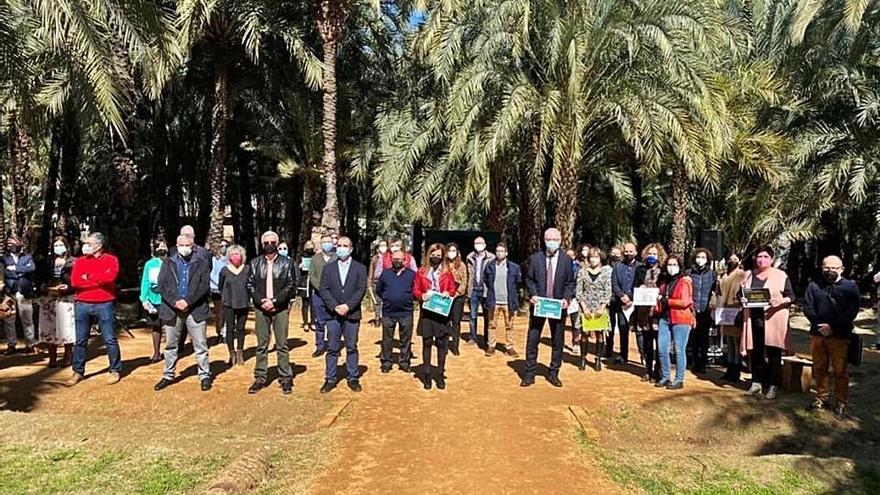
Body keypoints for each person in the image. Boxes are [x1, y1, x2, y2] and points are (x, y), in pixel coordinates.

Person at [154, 234, 213, 392]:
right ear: (176, 245)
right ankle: (168, 374)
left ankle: (204, 375)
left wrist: (188, 302)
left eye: (188, 245)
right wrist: (175, 302)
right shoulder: (168, 263)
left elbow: (204, 286)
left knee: (200, 345)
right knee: (171, 345)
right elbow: (162, 285)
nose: (185, 248)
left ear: (193, 246)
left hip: (195, 309)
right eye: (182, 245)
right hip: (172, 309)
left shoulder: (201, 263)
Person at [804, 256, 860, 420]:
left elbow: (852, 312)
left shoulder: (850, 288)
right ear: (821, 268)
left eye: (834, 268)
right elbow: (808, 307)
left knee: (840, 371)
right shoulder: (814, 286)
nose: (830, 271)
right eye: (826, 268)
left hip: (840, 336)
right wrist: (820, 325)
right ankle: (822, 397)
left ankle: (841, 403)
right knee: (819, 368)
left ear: (842, 269)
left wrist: (833, 327)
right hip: (817, 334)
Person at [521, 228, 576, 388]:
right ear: (544, 240)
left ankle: (554, 373)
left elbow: (570, 283)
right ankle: (529, 373)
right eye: (548, 239)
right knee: (533, 339)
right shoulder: (535, 259)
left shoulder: (566, 261)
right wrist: (533, 295)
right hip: (539, 306)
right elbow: (529, 279)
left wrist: (566, 298)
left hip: (557, 307)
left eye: (555, 239)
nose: (551, 242)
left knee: (557, 341)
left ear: (560, 240)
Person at [67, 233, 121, 386]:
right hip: (82, 303)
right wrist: (97, 279)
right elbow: (75, 281)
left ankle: (115, 369)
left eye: (89, 243)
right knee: (81, 340)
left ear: (99, 245)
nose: (85, 246)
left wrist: (89, 276)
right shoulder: (80, 261)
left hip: (104, 303)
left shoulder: (111, 260)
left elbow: (110, 278)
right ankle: (78, 371)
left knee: (109, 338)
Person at [247, 231, 297, 395]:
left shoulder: (287, 263)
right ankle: (260, 377)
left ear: (277, 243)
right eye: (266, 242)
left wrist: (275, 301)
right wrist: (263, 301)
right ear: (262, 245)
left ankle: (285, 377)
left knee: (282, 344)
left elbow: (290, 285)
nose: (269, 245)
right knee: (262, 345)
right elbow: (250, 285)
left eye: (272, 242)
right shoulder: (254, 263)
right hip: (261, 308)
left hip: (280, 308)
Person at [741, 246, 794, 400]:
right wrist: (741, 299)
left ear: (771, 259)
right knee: (756, 353)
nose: (762, 259)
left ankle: (772, 385)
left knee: (774, 353)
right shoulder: (749, 275)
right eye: (759, 256)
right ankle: (756, 382)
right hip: (754, 319)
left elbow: (792, 296)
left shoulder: (781, 275)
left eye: (765, 256)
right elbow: (741, 294)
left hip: (774, 320)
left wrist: (781, 301)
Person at [319, 236, 368, 393]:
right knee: (332, 347)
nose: (341, 248)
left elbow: (361, 289)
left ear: (351, 248)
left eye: (345, 245)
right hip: (333, 315)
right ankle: (330, 378)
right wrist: (334, 307)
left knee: (351, 347)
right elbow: (324, 289)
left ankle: (353, 377)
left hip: (351, 314)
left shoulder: (360, 268)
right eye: (339, 245)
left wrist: (348, 306)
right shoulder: (328, 268)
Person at [413, 243, 458, 389]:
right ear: (428, 255)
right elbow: (415, 290)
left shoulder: (447, 272)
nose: (436, 257)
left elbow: (452, 288)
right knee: (426, 343)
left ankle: (439, 374)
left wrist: (448, 293)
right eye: (433, 255)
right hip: (427, 312)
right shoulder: (421, 272)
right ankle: (426, 374)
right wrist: (421, 295)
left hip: (442, 312)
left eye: (439, 255)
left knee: (441, 344)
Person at [655, 255, 695, 390]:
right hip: (665, 318)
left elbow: (685, 302)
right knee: (662, 349)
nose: (671, 267)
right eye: (669, 264)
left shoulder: (685, 281)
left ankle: (679, 379)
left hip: (681, 319)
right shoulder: (664, 282)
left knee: (679, 350)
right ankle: (665, 377)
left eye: (674, 264)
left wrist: (667, 301)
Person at [376, 249, 417, 373]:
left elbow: (415, 290)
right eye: (394, 259)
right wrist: (389, 298)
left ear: (404, 260)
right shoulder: (385, 274)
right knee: (387, 339)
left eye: (399, 259)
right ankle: (386, 362)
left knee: (405, 339)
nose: (396, 261)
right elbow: (379, 290)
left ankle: (404, 362)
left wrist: (408, 299)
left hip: (406, 312)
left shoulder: (411, 274)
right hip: (388, 312)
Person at [38, 236, 76, 367]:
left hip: (66, 298)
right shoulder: (47, 261)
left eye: (60, 245)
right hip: (48, 297)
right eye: (55, 245)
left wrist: (69, 286)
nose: (58, 248)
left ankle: (68, 355)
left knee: (67, 326)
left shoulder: (73, 262)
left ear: (66, 246)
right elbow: (39, 277)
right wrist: (42, 285)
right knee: (49, 327)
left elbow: (77, 280)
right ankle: (52, 356)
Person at [575, 247, 612, 371]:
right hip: (586, 306)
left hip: (600, 307)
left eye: (596, 257)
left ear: (600, 258)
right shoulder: (582, 272)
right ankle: (583, 359)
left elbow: (608, 291)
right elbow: (578, 291)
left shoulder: (606, 272)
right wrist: (584, 307)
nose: (594, 259)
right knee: (584, 333)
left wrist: (602, 307)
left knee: (599, 333)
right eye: (592, 257)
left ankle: (597, 359)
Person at [633, 243, 666, 381]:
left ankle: (657, 371)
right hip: (643, 311)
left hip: (658, 312)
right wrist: (639, 287)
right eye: (650, 253)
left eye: (654, 254)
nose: (652, 256)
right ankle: (647, 370)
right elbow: (634, 286)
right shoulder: (640, 269)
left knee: (659, 343)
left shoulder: (663, 272)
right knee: (646, 342)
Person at [484, 242, 521, 358]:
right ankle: (491, 346)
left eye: (502, 251)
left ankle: (509, 347)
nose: (499, 253)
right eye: (497, 251)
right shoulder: (490, 266)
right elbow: (486, 279)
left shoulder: (514, 267)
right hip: (493, 301)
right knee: (491, 325)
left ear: (506, 253)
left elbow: (518, 283)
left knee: (509, 325)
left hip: (508, 302)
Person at [3, 235, 37, 354]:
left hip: (24, 291)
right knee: (9, 319)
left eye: (13, 243)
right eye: (9, 244)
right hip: (9, 291)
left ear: (19, 244)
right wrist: (22, 270)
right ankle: (11, 344)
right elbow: (5, 272)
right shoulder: (4, 259)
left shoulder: (27, 257)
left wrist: (16, 268)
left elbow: (32, 268)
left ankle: (30, 343)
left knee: (27, 318)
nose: (11, 246)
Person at [219, 244, 250, 367]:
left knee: (241, 329)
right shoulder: (224, 270)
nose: (235, 256)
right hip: (228, 303)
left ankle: (240, 353)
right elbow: (221, 286)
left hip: (243, 303)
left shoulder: (247, 269)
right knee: (230, 329)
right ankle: (231, 353)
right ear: (229, 256)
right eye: (232, 254)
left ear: (242, 256)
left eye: (237, 254)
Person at [687, 248, 717, 374]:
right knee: (693, 337)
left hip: (706, 310)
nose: (700, 260)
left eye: (703, 257)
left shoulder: (712, 274)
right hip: (692, 309)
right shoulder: (688, 273)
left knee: (704, 338)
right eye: (698, 257)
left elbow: (715, 291)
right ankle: (693, 361)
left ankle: (703, 363)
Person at [610, 242, 641, 363]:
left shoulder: (640, 267)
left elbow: (641, 283)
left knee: (639, 331)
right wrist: (621, 295)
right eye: (626, 251)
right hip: (621, 303)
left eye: (631, 251)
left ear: (636, 252)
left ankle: (643, 357)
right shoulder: (618, 266)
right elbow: (614, 283)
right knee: (623, 329)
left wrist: (632, 298)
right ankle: (623, 355)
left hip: (636, 303)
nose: (628, 254)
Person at [717, 253, 746, 382]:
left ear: (739, 261)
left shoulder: (741, 274)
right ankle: (729, 368)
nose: (732, 260)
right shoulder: (724, 275)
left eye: (735, 259)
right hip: (725, 311)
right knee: (728, 341)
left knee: (736, 341)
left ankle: (736, 369)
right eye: (731, 258)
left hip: (735, 310)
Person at [139, 238, 168, 363]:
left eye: (163, 245)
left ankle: (172, 350)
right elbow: (145, 281)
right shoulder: (150, 264)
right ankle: (156, 352)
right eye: (159, 246)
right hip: (154, 298)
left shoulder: (171, 262)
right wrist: (144, 299)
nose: (161, 248)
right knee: (156, 326)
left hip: (168, 299)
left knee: (169, 325)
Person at [308, 234, 337, 357]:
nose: (326, 244)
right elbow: (312, 275)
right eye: (324, 242)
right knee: (319, 322)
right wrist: (320, 288)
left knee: (333, 322)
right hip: (318, 295)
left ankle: (333, 346)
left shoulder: (337, 258)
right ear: (320, 244)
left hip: (334, 296)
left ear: (333, 243)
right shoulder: (315, 258)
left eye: (328, 241)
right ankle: (319, 346)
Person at [466, 236, 495, 348]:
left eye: (481, 243)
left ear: (485, 244)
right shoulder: (470, 257)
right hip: (473, 290)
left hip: (486, 290)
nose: (479, 245)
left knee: (488, 316)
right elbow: (469, 274)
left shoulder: (491, 257)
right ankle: (472, 337)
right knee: (473, 316)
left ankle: (487, 338)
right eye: (476, 243)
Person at [445, 243, 469, 356]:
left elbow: (464, 280)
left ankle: (455, 346)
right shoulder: (443, 265)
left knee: (456, 321)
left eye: (453, 250)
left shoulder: (462, 265)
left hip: (457, 297)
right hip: (445, 296)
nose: (451, 252)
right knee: (445, 320)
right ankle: (444, 344)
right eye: (449, 250)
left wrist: (457, 293)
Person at [209, 240, 229, 344]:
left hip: (228, 290)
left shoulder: (230, 260)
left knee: (227, 312)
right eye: (222, 246)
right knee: (219, 313)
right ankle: (219, 333)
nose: (224, 248)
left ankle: (226, 333)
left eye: (226, 246)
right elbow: (211, 274)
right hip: (216, 290)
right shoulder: (213, 260)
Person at [606, 245, 623, 357]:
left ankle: (623, 351)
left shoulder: (623, 268)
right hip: (609, 300)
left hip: (621, 300)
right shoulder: (605, 269)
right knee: (609, 325)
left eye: (618, 254)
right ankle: (608, 349)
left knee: (622, 325)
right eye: (614, 253)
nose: (616, 256)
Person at [368, 240, 388, 328]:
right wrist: (369, 282)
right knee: (377, 301)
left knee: (386, 301)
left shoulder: (389, 258)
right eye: (381, 246)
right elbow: (371, 271)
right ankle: (377, 319)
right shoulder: (375, 258)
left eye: (384, 245)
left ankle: (385, 319)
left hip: (387, 282)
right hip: (377, 282)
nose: (382, 248)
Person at [297, 241, 316, 331]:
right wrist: (300, 267)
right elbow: (296, 268)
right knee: (305, 303)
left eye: (311, 246)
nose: (310, 248)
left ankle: (313, 322)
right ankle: (305, 322)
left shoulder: (316, 257)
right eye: (308, 246)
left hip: (314, 282)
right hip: (304, 282)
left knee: (314, 303)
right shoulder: (301, 257)